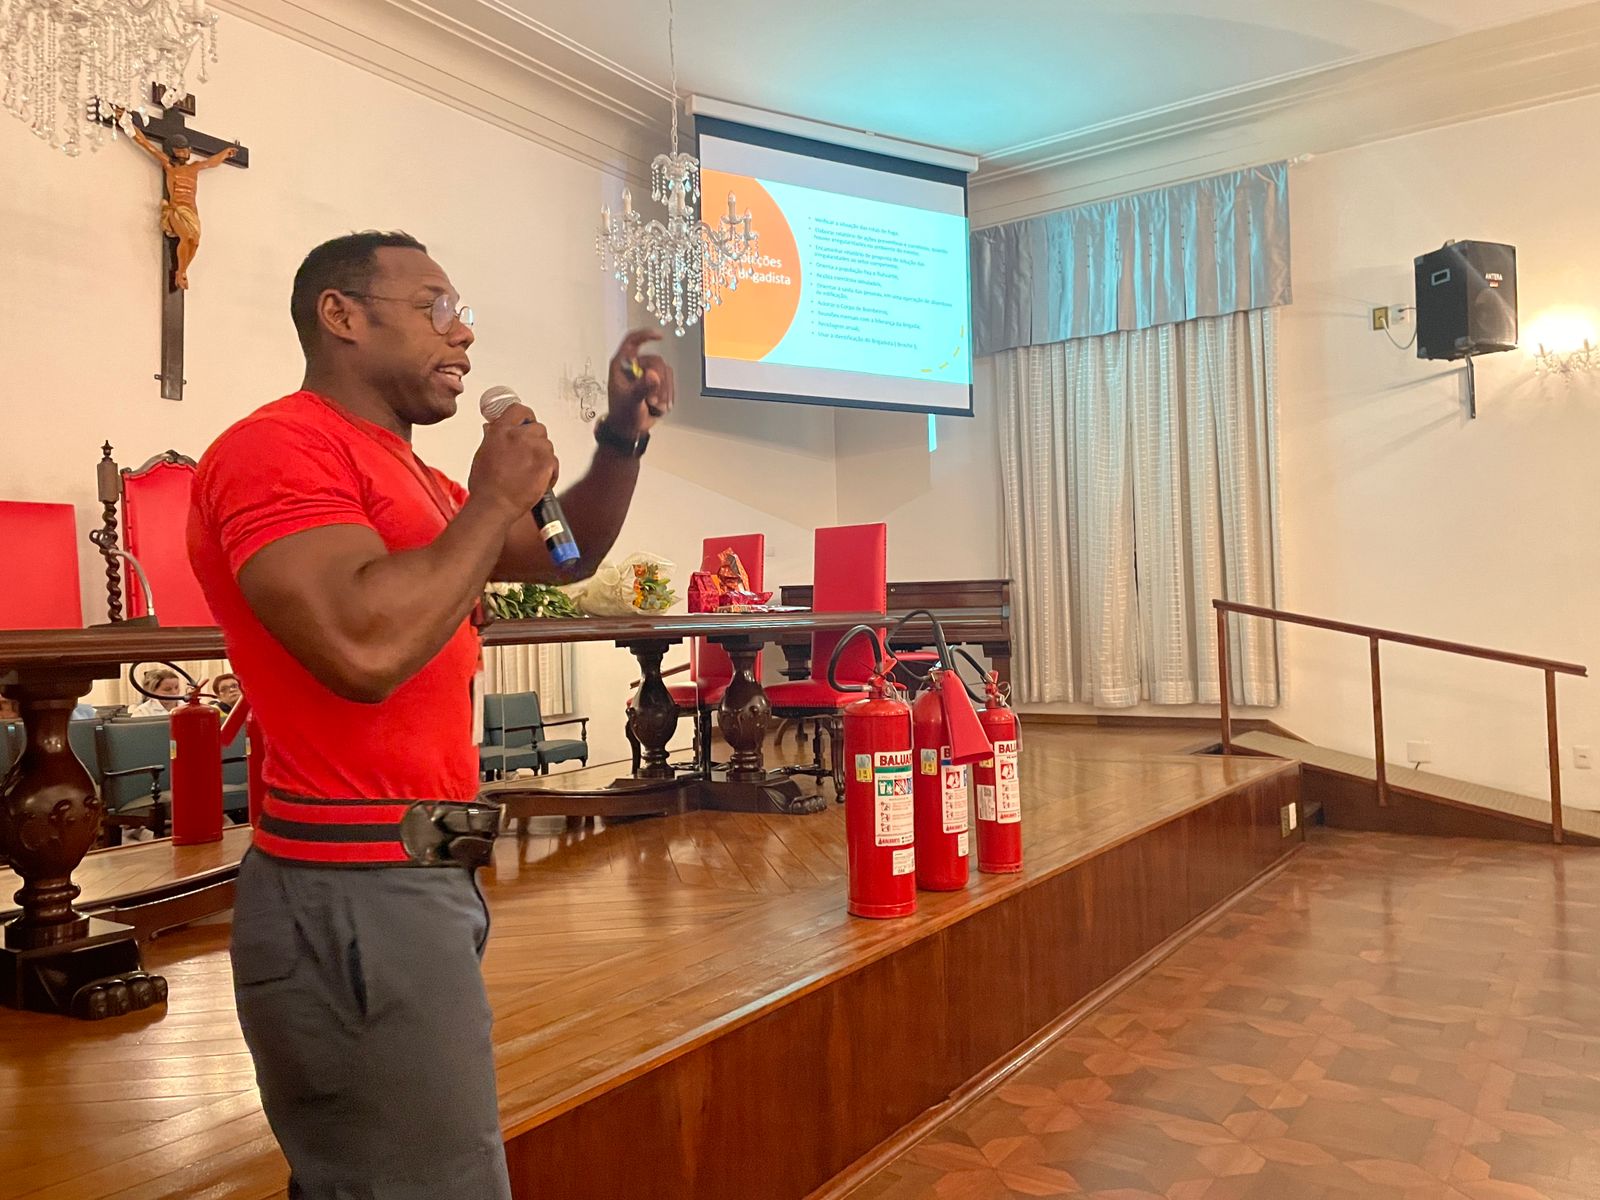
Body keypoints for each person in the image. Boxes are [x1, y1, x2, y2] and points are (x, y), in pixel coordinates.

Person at [187, 230, 672, 1199]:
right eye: (435, 308)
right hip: (350, 885)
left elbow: (563, 556)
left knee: (392, 1175)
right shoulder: (277, 448)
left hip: (422, 870)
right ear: (342, 315)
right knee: (428, 1183)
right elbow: (361, 650)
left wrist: (619, 439)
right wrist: (491, 501)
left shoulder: (416, 479)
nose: (463, 335)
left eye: (464, 315)